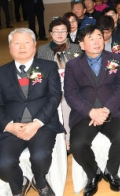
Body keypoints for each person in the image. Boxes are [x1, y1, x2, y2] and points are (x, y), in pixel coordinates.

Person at [0, 28, 63, 196]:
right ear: (10, 47)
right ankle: (19, 185)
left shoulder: (49, 67)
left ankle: (40, 181)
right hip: (12, 127)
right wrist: (10, 126)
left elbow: (54, 97)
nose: (22, 47)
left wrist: (36, 124)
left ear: (34, 46)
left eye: (26, 42)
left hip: (41, 125)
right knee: (3, 165)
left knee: (41, 157)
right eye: (16, 43)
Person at [65, 25, 120, 195]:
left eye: (99, 37)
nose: (96, 42)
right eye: (91, 38)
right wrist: (91, 111)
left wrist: (107, 109)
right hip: (85, 114)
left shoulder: (116, 58)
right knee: (77, 145)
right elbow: (70, 93)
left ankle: (111, 171)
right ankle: (93, 173)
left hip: (112, 110)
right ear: (81, 44)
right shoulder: (73, 65)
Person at [37, 18, 82, 149]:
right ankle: (63, 139)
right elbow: (39, 72)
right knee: (59, 100)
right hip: (51, 87)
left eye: (63, 30)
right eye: (56, 31)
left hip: (74, 86)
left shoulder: (76, 47)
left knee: (66, 100)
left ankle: (69, 138)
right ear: (51, 33)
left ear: (68, 32)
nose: (60, 34)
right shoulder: (43, 50)